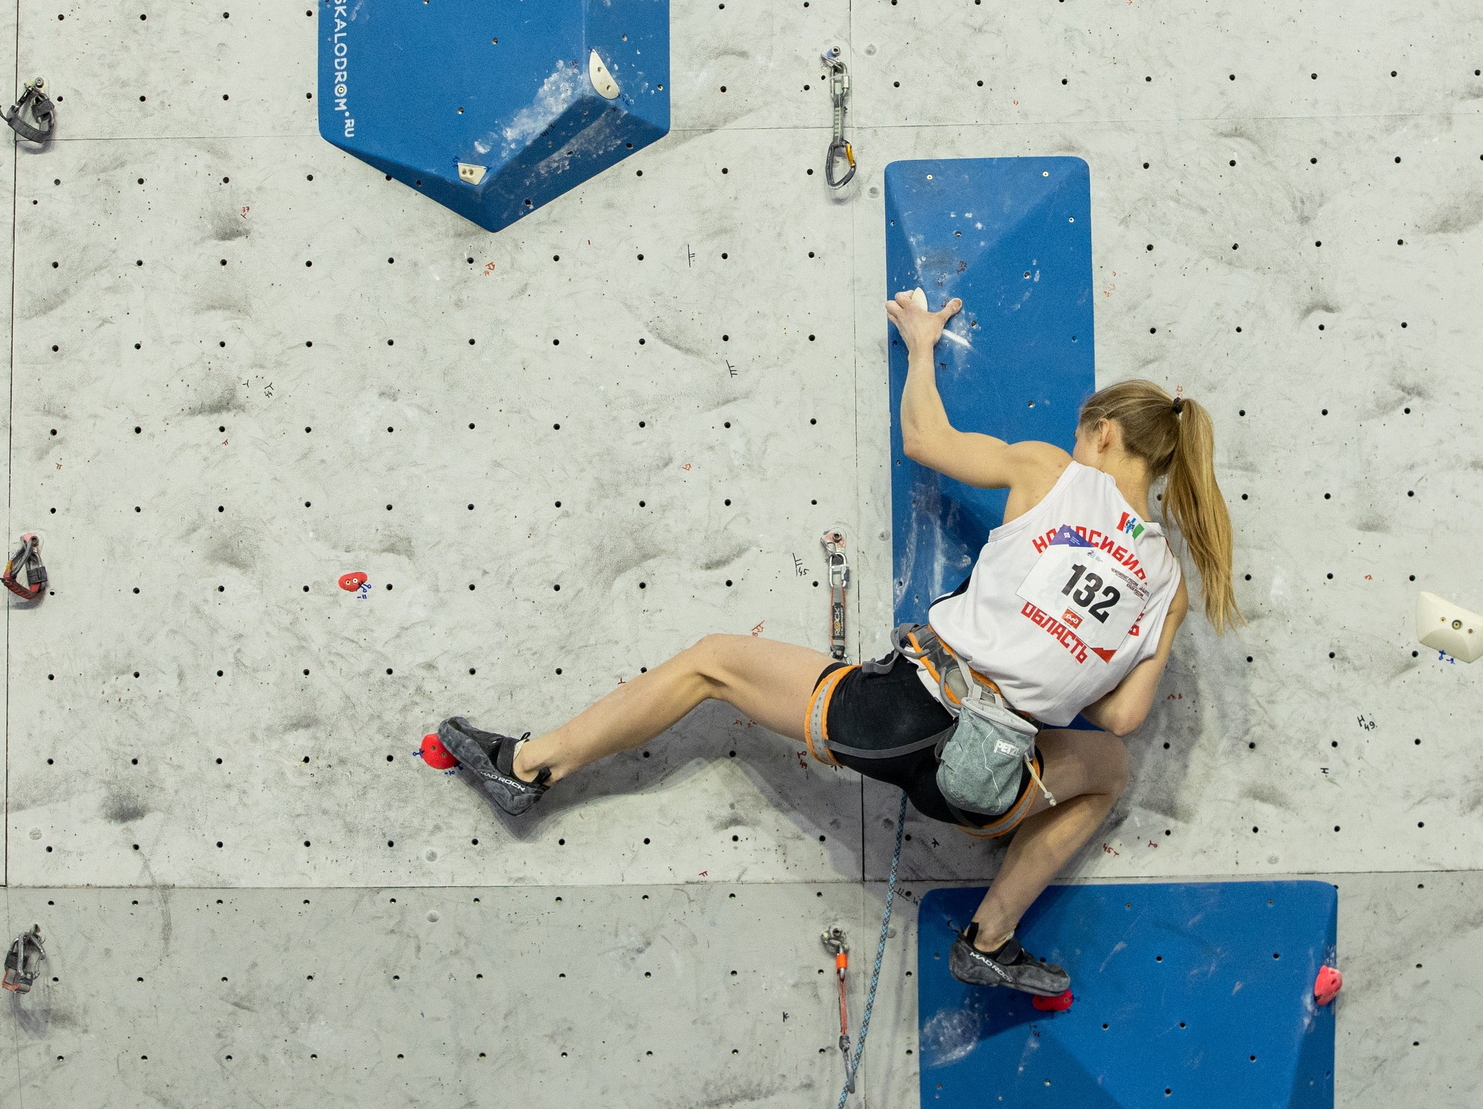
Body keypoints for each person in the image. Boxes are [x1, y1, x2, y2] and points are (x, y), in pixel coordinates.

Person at [435, 290, 1238, 996]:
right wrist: (1125, 633)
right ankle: (988, 943)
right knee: (1110, 767)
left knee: (712, 663)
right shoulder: (1166, 581)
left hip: (898, 715)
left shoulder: (1054, 473)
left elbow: (926, 438)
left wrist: (920, 346)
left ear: (1102, 432)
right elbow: (1122, 717)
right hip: (982, 783)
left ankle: (528, 766)